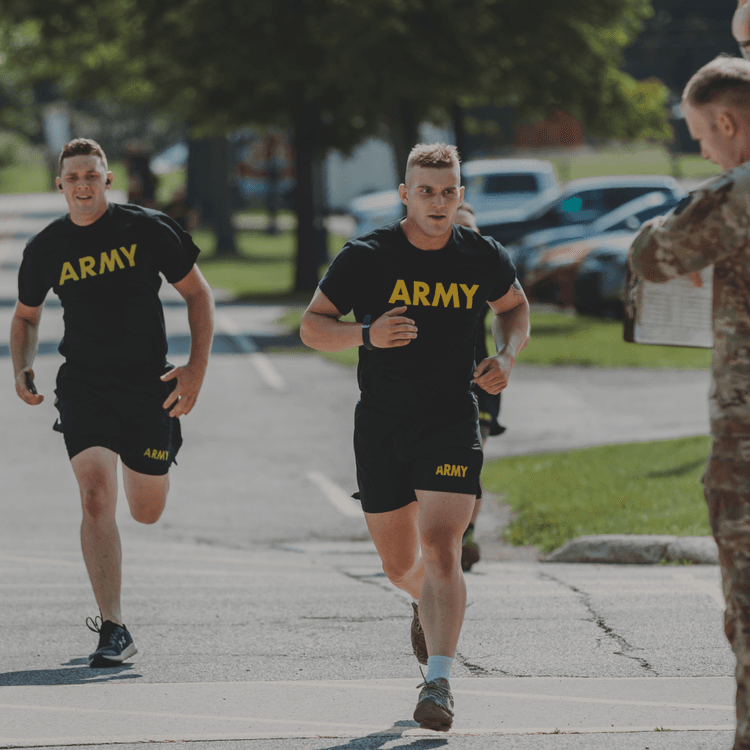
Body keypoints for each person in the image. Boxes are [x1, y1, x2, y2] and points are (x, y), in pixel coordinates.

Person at [300, 143, 529, 731]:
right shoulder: (367, 256)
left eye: (448, 191)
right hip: (381, 425)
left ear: (460, 195)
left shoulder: (480, 254)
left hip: (451, 419)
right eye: (426, 191)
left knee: (443, 547)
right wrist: (367, 335)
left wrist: (506, 354)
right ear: (405, 193)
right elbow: (312, 327)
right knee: (402, 564)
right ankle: (424, 602)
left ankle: (440, 683)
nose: (438, 202)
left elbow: (514, 307)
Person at [11, 138, 215, 668]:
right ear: (60, 184)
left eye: (91, 175)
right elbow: (26, 316)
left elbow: (198, 294)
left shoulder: (146, 228)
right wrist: (22, 364)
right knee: (96, 498)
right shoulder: (46, 248)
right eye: (72, 176)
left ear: (107, 180)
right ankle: (114, 626)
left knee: (146, 512)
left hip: (148, 384)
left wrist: (195, 369)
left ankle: (151, 460)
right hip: (84, 385)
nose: (82, 184)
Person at [627, 55, 750, 750]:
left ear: (728, 123)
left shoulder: (739, 194)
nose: (701, 148)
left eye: (702, 134)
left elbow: (653, 255)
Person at [454, 203, 507, 572]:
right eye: (460, 231)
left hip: (480, 381)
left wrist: (506, 355)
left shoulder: (485, 266)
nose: (466, 239)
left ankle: (466, 536)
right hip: (431, 386)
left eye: (472, 232)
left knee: (469, 463)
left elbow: (510, 308)